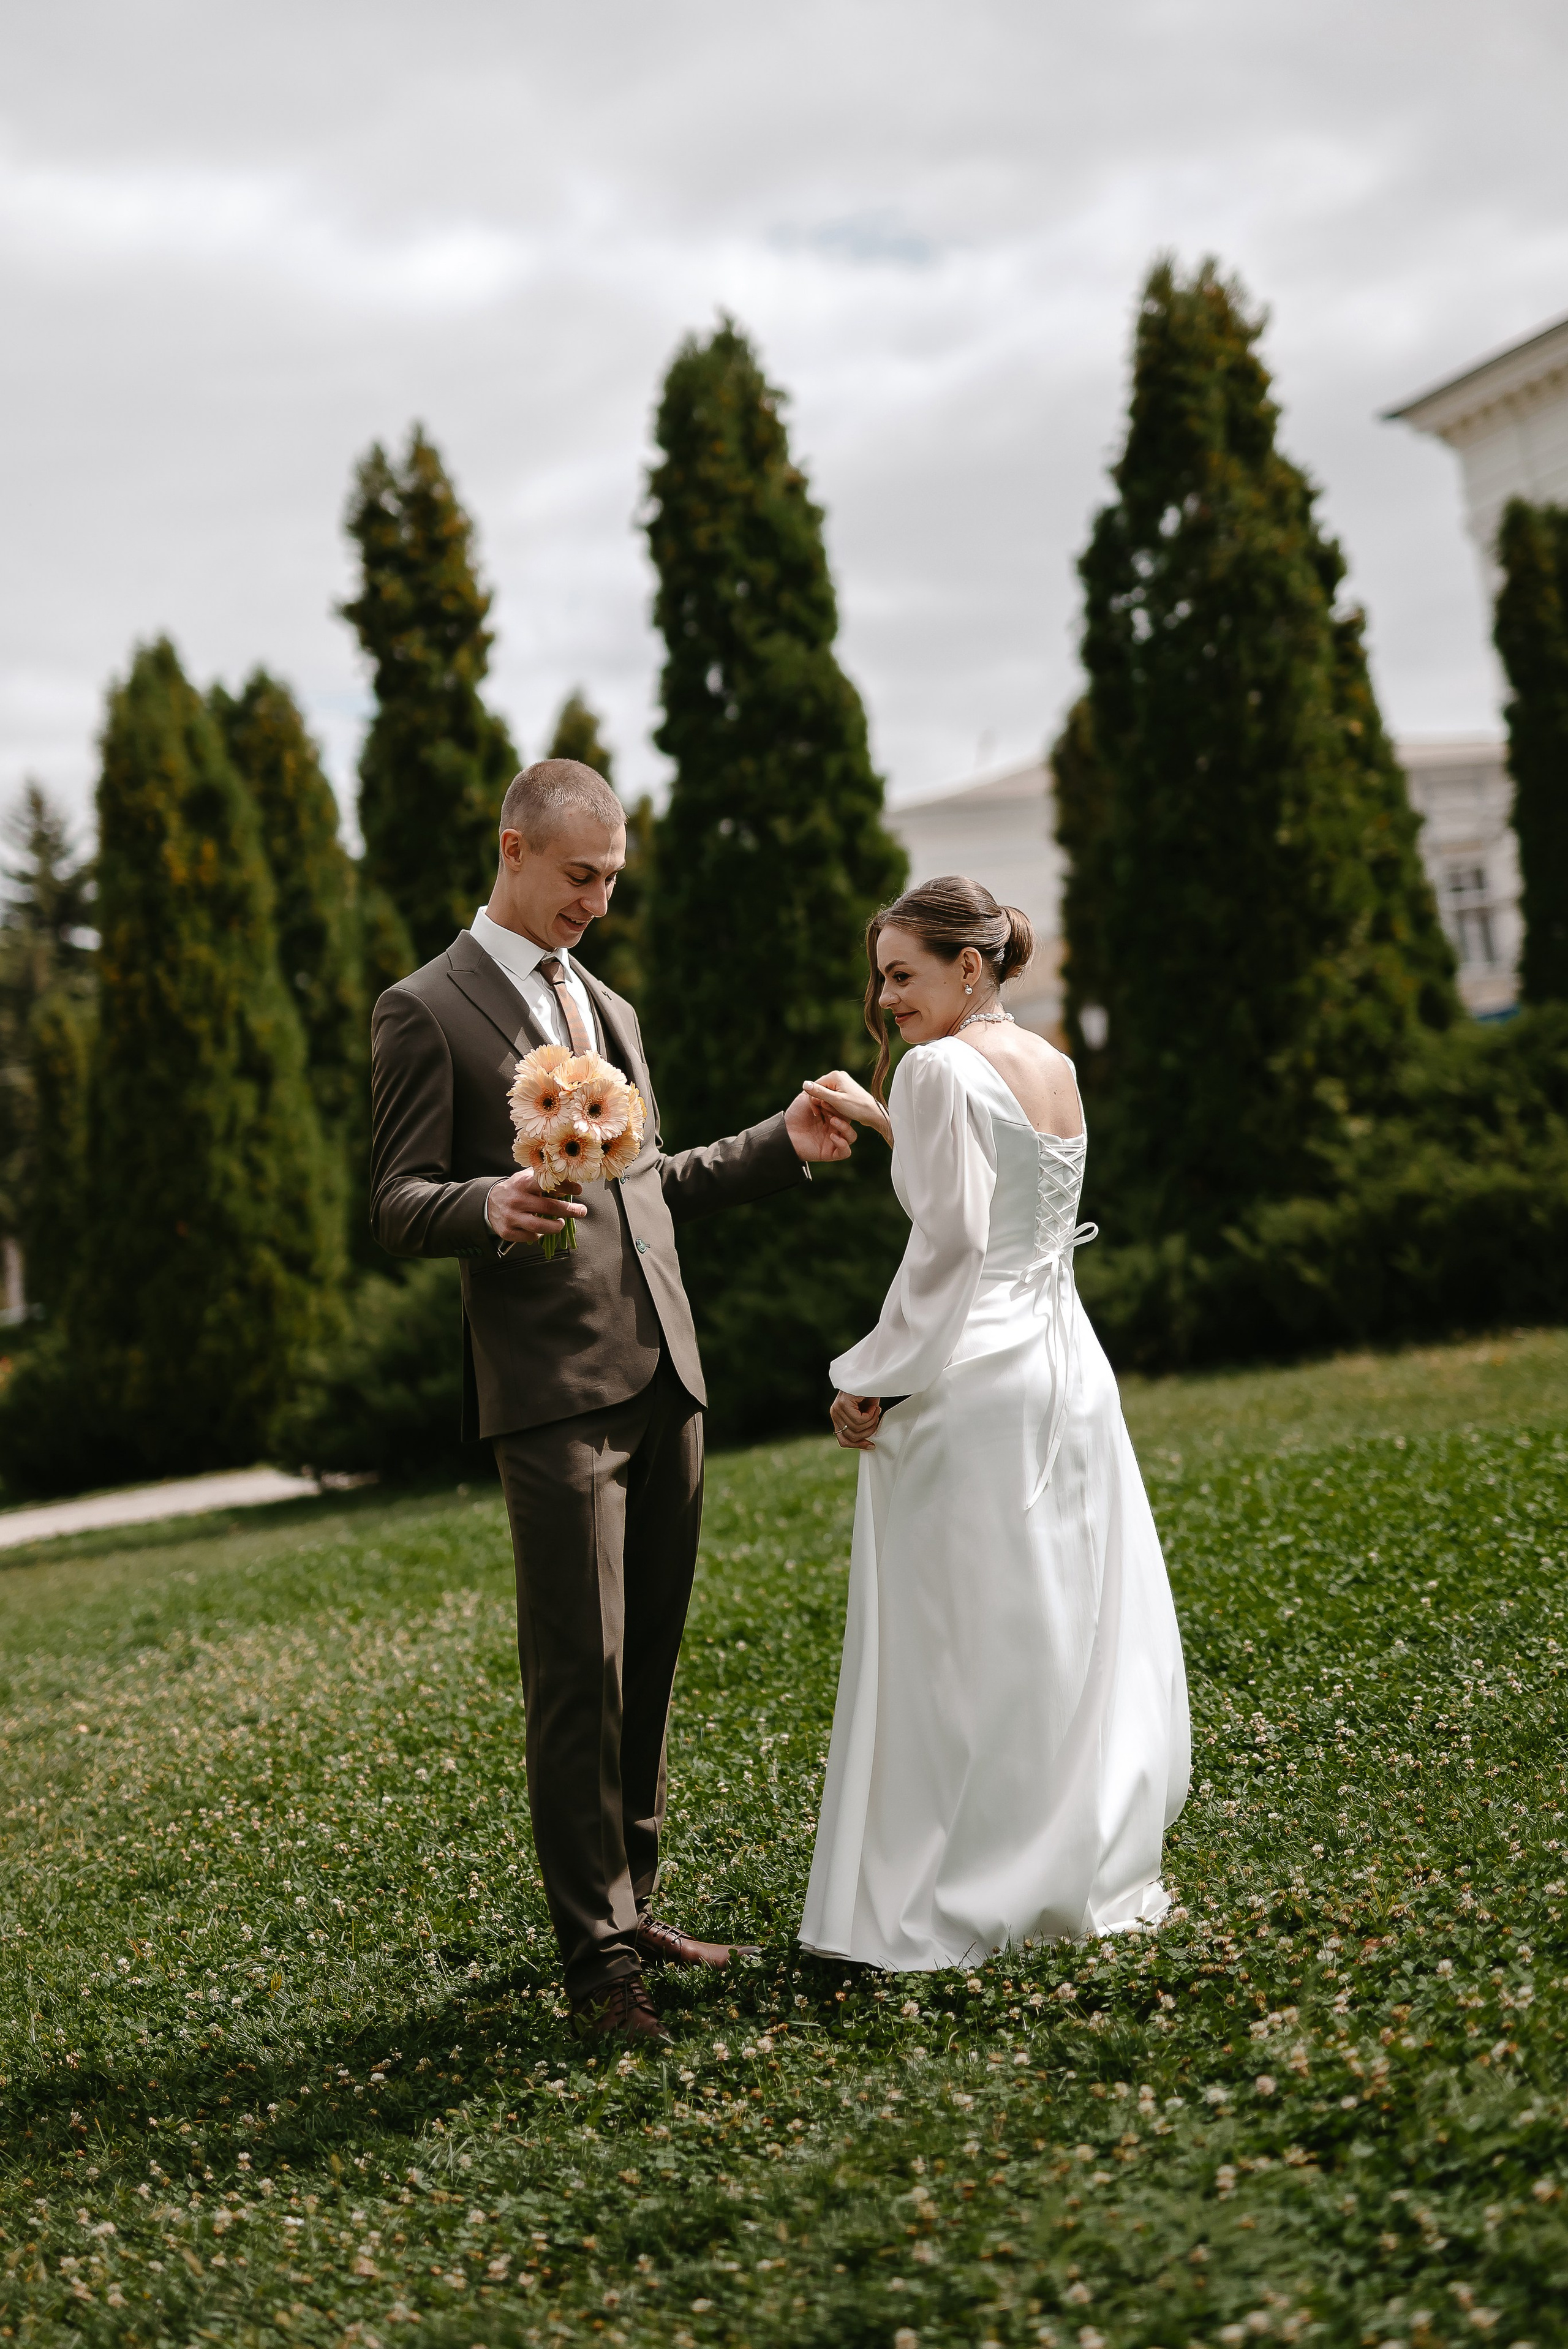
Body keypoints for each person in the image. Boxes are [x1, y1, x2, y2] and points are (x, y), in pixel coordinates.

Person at [369, 760, 856, 2044]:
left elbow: (653, 1185)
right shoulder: (425, 1007)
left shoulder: (608, 1006)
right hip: (548, 1392)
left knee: (646, 1657)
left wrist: (775, 1147)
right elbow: (393, 1196)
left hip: (665, 1375)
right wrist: (488, 1204)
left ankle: (631, 1903)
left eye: (611, 880)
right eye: (581, 876)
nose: (596, 901)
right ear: (514, 846)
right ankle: (594, 1961)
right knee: (575, 1672)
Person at [796, 875, 1189, 1970]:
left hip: (975, 1385)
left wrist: (874, 1375)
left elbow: (954, 1245)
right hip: (1069, 1371)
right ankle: (1071, 1869)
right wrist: (888, 1121)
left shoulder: (936, 1067)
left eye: (905, 975)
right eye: (882, 978)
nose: (887, 1001)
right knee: (1057, 1630)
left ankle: (957, 1892)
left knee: (957, 1650)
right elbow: (1003, 1198)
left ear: (970, 967)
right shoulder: (1052, 1063)